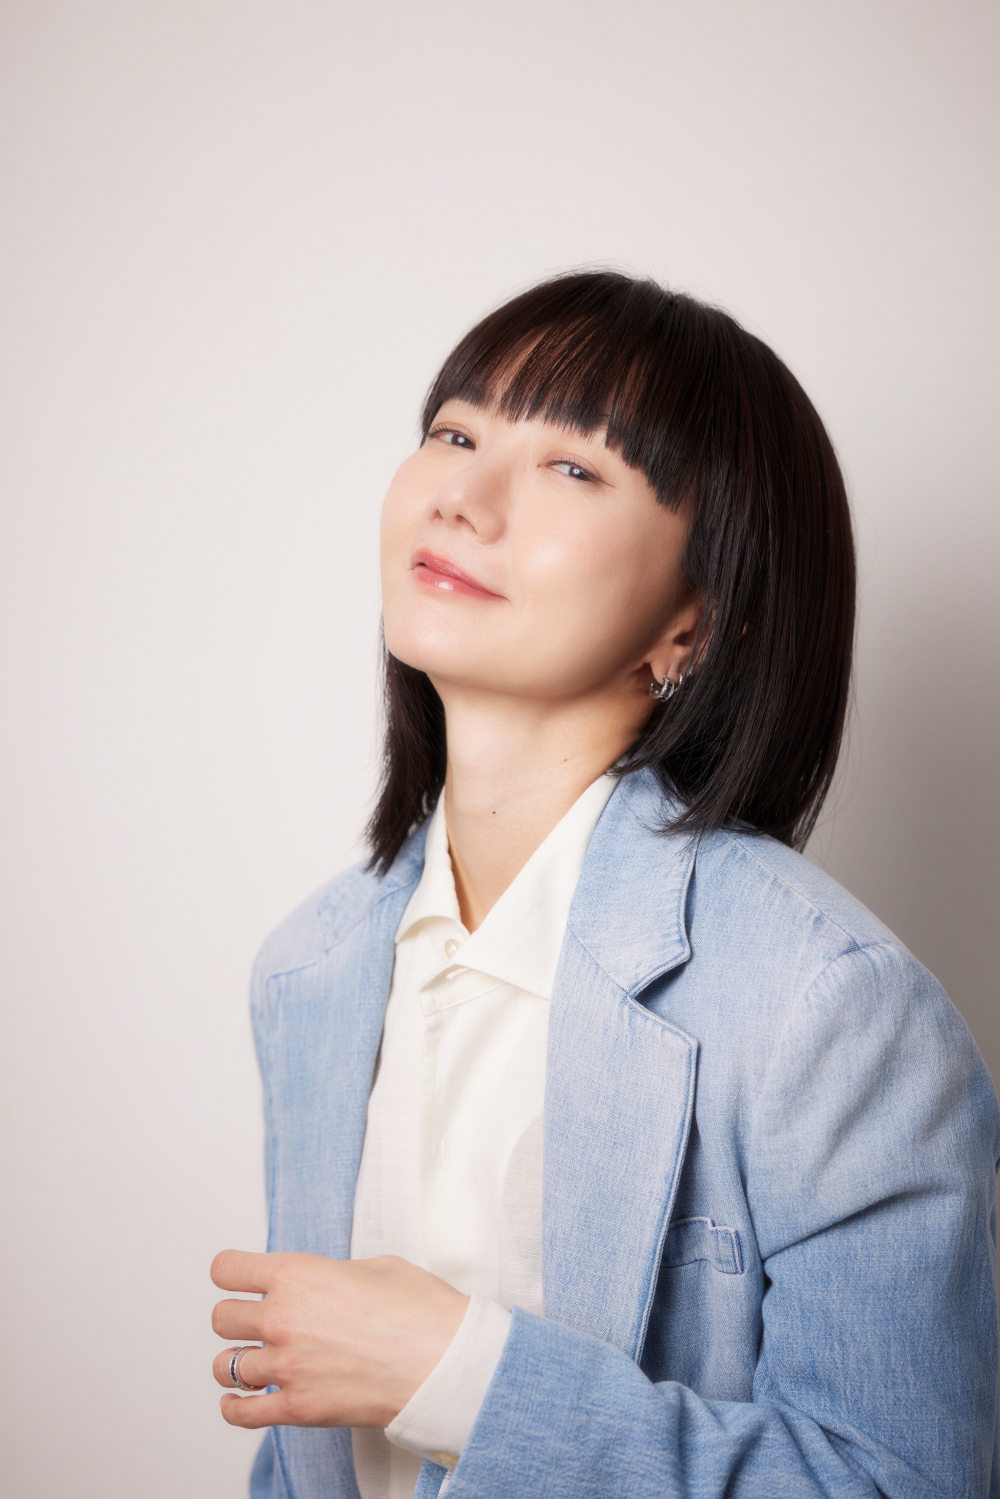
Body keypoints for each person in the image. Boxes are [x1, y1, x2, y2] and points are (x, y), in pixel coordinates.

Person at [209, 271, 1000, 1499]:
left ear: (694, 623)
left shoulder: (827, 1006)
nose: (463, 497)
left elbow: (901, 1480)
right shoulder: (308, 966)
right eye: (454, 434)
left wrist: (455, 1372)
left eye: (572, 467)